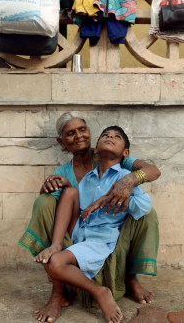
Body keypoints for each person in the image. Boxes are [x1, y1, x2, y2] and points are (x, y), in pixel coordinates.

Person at [18, 112, 160, 322]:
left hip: (106, 233)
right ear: (62, 142)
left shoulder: (111, 157)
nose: (78, 136)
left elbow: (154, 171)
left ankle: (130, 279)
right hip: (77, 230)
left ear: (90, 133)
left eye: (82, 130)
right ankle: (58, 292)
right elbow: (54, 210)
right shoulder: (68, 172)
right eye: (70, 134)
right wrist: (46, 189)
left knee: (148, 213)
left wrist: (129, 180)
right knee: (47, 201)